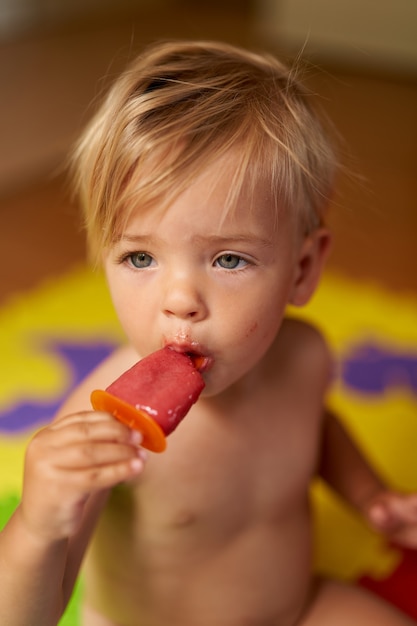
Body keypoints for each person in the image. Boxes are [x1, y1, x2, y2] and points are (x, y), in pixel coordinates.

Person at [1, 39, 417, 626]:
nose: (179, 302)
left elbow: (315, 429)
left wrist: (370, 495)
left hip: (293, 609)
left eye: (227, 260)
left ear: (302, 269)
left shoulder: (304, 356)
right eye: (140, 258)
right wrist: (38, 526)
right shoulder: (104, 427)